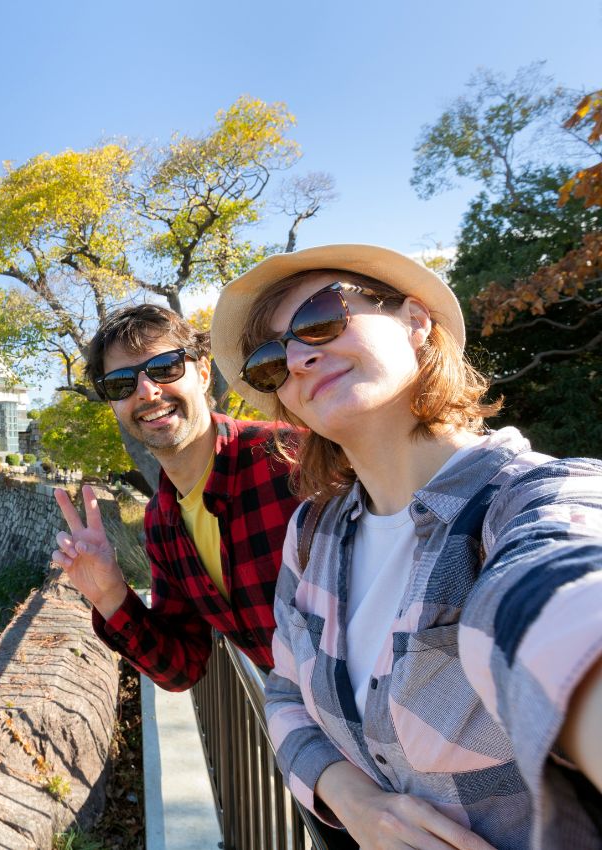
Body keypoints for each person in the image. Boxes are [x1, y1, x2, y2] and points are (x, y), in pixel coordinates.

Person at [210, 244, 602, 849]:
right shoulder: (312, 532)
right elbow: (285, 691)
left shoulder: (534, 501)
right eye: (270, 360)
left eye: (321, 316)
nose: (300, 357)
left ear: (417, 321)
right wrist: (352, 799)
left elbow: (555, 591)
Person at [51, 304, 299, 690]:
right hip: (314, 732)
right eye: (121, 383)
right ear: (114, 404)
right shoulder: (162, 520)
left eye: (165, 367)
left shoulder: (289, 456)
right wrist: (112, 596)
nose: (147, 391)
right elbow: (182, 666)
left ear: (202, 373)